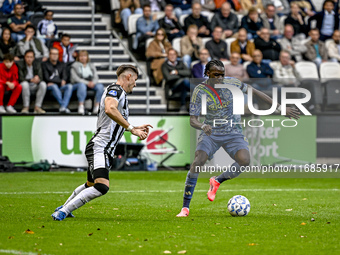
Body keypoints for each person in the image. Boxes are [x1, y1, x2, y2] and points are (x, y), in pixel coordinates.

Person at [176, 59, 299, 217]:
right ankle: (185, 208)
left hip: (233, 131)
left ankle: (217, 181)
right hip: (211, 132)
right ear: (207, 74)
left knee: (244, 160)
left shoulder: (232, 83)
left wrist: (280, 108)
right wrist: (202, 126)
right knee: (198, 162)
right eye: (216, 75)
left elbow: (255, 92)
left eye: (222, 75)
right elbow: (193, 119)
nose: (220, 78)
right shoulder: (200, 91)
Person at [51, 65, 152, 221]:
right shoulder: (116, 90)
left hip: (102, 147)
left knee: (91, 184)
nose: (136, 84)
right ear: (128, 77)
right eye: (136, 80)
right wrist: (131, 129)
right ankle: (63, 211)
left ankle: (64, 207)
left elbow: (113, 121)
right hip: (101, 147)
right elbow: (109, 109)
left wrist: (135, 127)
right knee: (102, 186)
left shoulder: (119, 93)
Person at [70, 50, 104, 114]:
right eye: (81, 56)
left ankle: (97, 106)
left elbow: (96, 76)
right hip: (79, 83)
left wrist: (93, 82)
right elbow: (75, 78)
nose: (83, 58)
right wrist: (87, 83)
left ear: (87, 57)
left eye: (84, 56)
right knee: (82, 86)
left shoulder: (91, 65)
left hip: (91, 83)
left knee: (100, 86)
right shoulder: (74, 65)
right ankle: (81, 105)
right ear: (78, 57)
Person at [42, 48, 73, 113]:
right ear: (49, 55)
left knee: (69, 86)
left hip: (60, 85)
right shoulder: (44, 64)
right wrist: (59, 81)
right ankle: (64, 106)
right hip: (49, 86)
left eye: (56, 54)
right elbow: (46, 78)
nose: (55, 55)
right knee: (54, 86)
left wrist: (63, 80)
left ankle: (63, 107)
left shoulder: (62, 64)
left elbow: (65, 76)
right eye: (53, 54)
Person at [162, 48, 191, 113]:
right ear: (167, 56)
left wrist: (176, 72)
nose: (172, 56)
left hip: (183, 85)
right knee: (185, 80)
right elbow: (168, 78)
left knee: (184, 85)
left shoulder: (181, 63)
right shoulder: (164, 65)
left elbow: (188, 73)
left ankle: (183, 106)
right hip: (172, 87)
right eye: (170, 54)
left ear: (176, 55)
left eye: (174, 54)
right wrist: (182, 75)